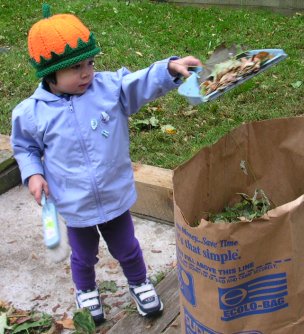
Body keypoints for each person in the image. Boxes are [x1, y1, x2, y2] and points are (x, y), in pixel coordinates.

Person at [11, 4, 201, 324]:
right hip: (74, 203)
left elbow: (139, 83)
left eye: (90, 63)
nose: (87, 72)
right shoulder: (32, 113)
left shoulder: (109, 89)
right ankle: (86, 290)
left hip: (113, 195)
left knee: (127, 247)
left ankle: (139, 282)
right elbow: (25, 146)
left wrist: (168, 68)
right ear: (50, 74)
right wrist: (33, 174)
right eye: (76, 68)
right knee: (83, 256)